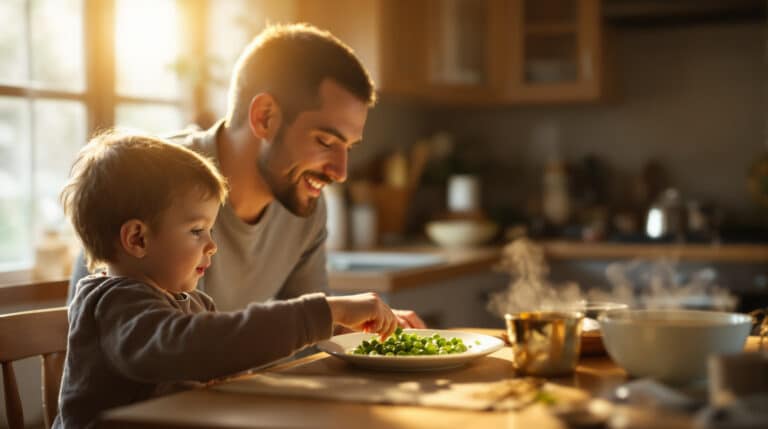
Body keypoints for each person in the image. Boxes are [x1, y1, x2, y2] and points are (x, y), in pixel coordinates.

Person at [69, 23, 425, 328]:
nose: (341, 172)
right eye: (325, 141)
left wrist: (371, 327)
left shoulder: (303, 203)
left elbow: (308, 335)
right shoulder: (148, 184)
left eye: (348, 147)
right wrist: (328, 315)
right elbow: (144, 340)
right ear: (265, 117)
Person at [54, 132, 398, 429]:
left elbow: (223, 356)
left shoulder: (191, 303)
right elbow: (195, 347)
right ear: (137, 239)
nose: (212, 245)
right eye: (196, 231)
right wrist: (324, 312)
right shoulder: (115, 305)